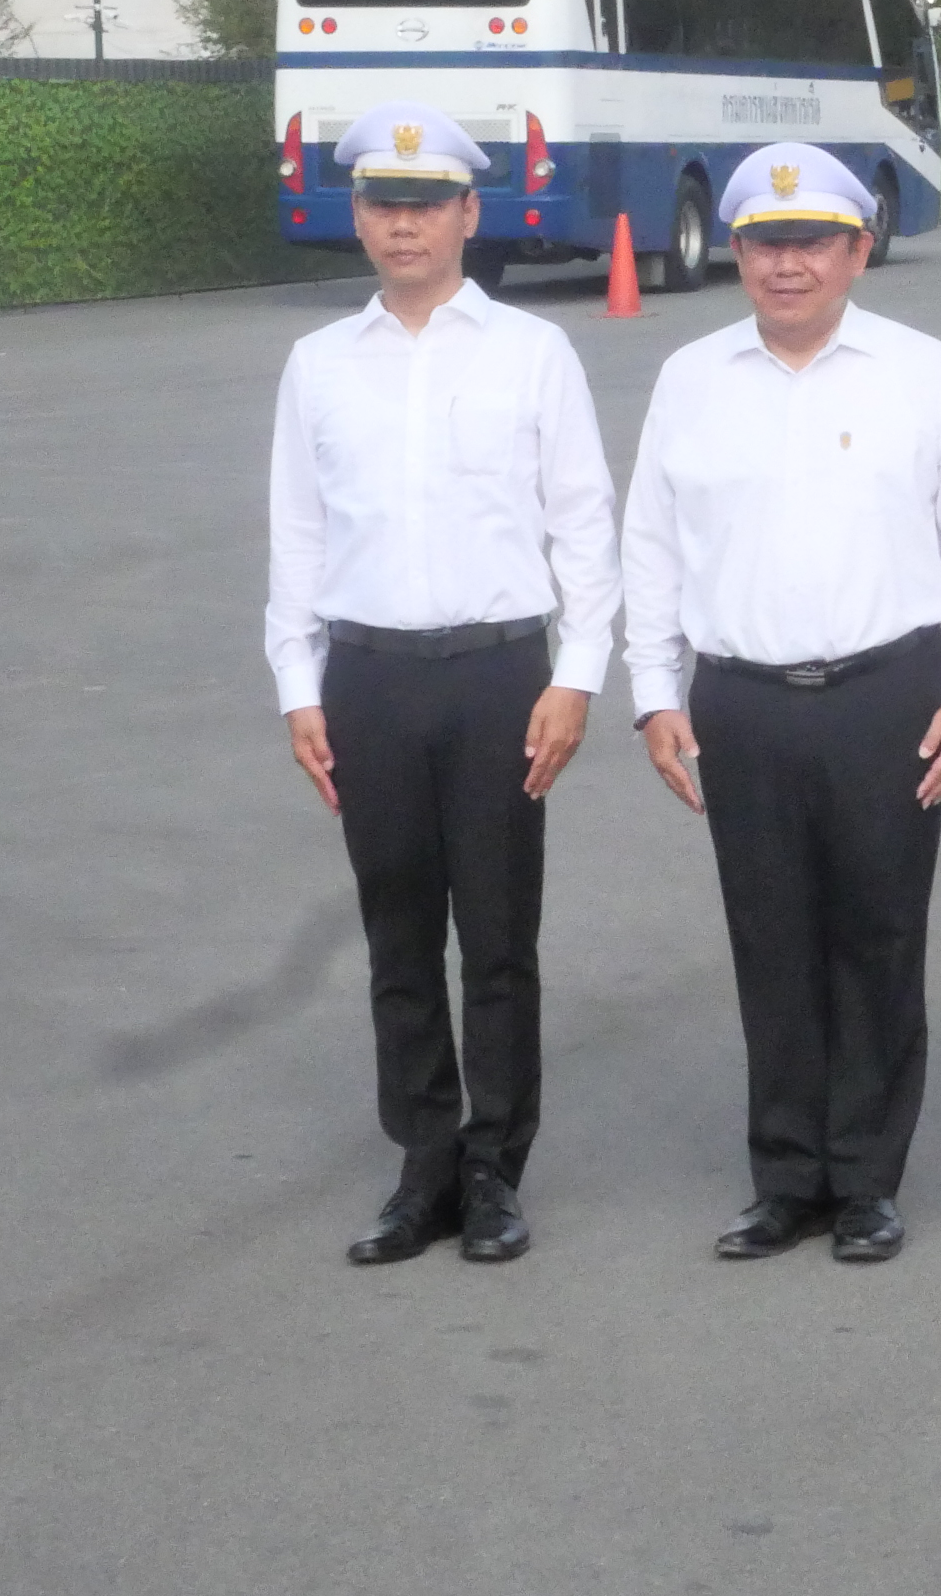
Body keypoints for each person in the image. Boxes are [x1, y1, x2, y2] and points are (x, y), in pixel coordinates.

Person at [624, 143, 941, 1265]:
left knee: (880, 935)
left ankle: (867, 1179)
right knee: (770, 937)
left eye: (810, 243)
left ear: (857, 252)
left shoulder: (924, 372)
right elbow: (650, 542)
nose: (785, 264)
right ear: (736, 252)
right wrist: (653, 690)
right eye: (763, 243)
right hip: (741, 701)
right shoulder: (691, 377)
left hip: (888, 694)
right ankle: (785, 1177)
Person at [265, 101, 620, 1267]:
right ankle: (422, 1163)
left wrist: (576, 675)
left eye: (425, 204)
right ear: (357, 213)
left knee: (500, 934)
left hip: (498, 674)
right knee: (399, 933)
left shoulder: (532, 351)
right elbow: (298, 535)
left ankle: (493, 1166)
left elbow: (584, 525)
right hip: (367, 676)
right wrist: (298, 684)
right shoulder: (320, 364)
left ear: (471, 211)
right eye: (382, 202)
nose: (403, 224)